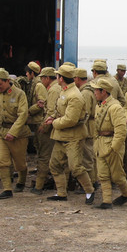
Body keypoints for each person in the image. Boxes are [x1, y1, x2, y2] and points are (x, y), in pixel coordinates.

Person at [43, 65, 96, 205]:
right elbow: (60, 110)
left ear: (61, 78)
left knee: (75, 167)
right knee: (55, 165)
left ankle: (90, 190)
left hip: (73, 137)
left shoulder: (74, 96)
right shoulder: (65, 91)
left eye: (58, 76)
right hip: (61, 136)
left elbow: (71, 119)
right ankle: (61, 193)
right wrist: (53, 116)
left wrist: (54, 122)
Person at [92, 78, 127, 209]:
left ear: (103, 91)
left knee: (117, 175)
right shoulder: (99, 106)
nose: (94, 93)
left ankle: (126, 194)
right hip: (100, 143)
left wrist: (114, 147)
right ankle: (106, 201)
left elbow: (121, 130)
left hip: (111, 143)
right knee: (102, 174)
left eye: (96, 90)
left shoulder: (115, 107)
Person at [0, 68, 31, 199]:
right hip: (1, 133)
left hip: (18, 134)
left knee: (19, 163)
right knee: (1, 161)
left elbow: (23, 115)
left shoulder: (19, 94)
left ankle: (21, 180)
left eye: (0, 84)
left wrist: (13, 132)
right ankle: (7, 188)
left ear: (7, 81)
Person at [31, 67, 59, 194]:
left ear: (47, 78)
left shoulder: (53, 90)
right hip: (58, 128)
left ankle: (39, 185)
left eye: (42, 78)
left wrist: (44, 127)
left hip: (50, 128)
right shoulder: (59, 88)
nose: (41, 81)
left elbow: (51, 111)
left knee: (44, 156)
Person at [74, 68, 98, 186]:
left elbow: (85, 114)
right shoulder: (90, 90)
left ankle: (91, 182)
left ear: (77, 78)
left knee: (87, 157)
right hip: (91, 126)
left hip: (87, 128)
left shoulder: (85, 93)